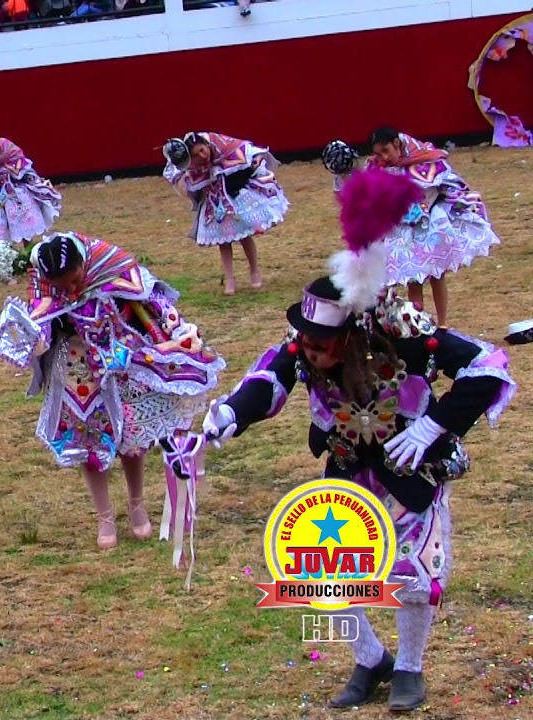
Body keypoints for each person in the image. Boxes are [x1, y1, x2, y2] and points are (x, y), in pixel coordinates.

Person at [202, 168, 515, 712]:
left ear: (348, 336)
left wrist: (432, 426)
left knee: (413, 573)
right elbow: (269, 379)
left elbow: (488, 365)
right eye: (305, 342)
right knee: (324, 571)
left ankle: (411, 669)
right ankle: (370, 659)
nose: (310, 353)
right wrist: (230, 413)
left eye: (322, 346)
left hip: (410, 469)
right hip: (348, 468)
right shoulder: (303, 347)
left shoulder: (406, 336)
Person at [0, 231, 224, 565]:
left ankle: (137, 505)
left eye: (76, 279)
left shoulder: (108, 261)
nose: (72, 291)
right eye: (63, 286)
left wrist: (172, 332)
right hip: (76, 369)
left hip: (121, 358)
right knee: (87, 440)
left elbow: (146, 297)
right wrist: (35, 339)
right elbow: (38, 317)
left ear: (85, 263)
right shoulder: (41, 277)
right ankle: (105, 516)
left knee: (131, 436)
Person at [322, 129, 499, 329]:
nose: (383, 157)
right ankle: (421, 325)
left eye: (386, 150)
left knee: (437, 275)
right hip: (403, 231)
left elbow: (447, 184)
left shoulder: (425, 157)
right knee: (414, 279)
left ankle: (442, 324)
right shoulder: (377, 168)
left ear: (397, 143)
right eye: (378, 153)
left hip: (431, 226)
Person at [161, 131, 289, 294]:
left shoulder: (222, 144)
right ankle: (230, 279)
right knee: (223, 241)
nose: (202, 155)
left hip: (235, 196)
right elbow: (177, 171)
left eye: (202, 150)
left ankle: (254, 271)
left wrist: (254, 163)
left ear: (206, 145)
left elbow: (244, 150)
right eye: (196, 154)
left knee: (244, 236)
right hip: (214, 202)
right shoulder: (192, 165)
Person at [0, 129, 63, 247]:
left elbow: (21, 167)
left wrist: (10, 171)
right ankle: (4, 256)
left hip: (14, 192)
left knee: (24, 228)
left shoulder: (9, 149)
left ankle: (28, 253)